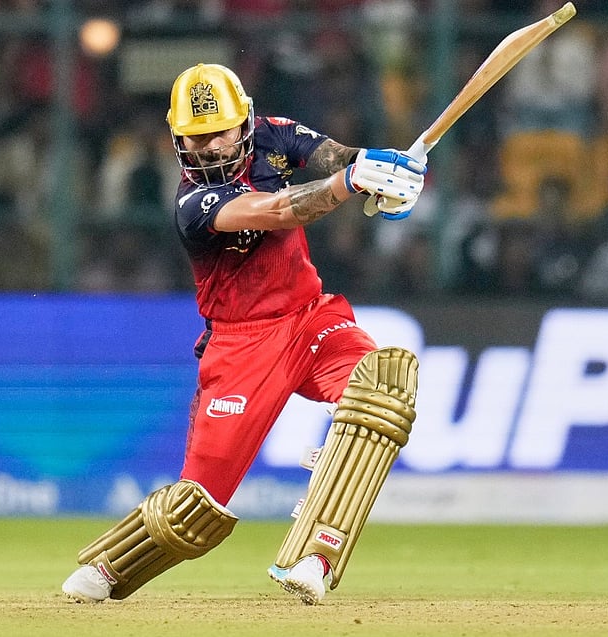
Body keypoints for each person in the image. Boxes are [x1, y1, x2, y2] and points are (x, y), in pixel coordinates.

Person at [61, 63, 424, 605]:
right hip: (240, 346)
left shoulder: (274, 135)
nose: (208, 147)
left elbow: (334, 157)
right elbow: (280, 209)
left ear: (245, 122)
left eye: (219, 132)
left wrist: (381, 165)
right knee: (196, 510)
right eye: (195, 137)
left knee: (382, 386)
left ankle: (314, 555)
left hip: (310, 320)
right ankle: (109, 566)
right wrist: (350, 182)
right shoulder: (192, 204)